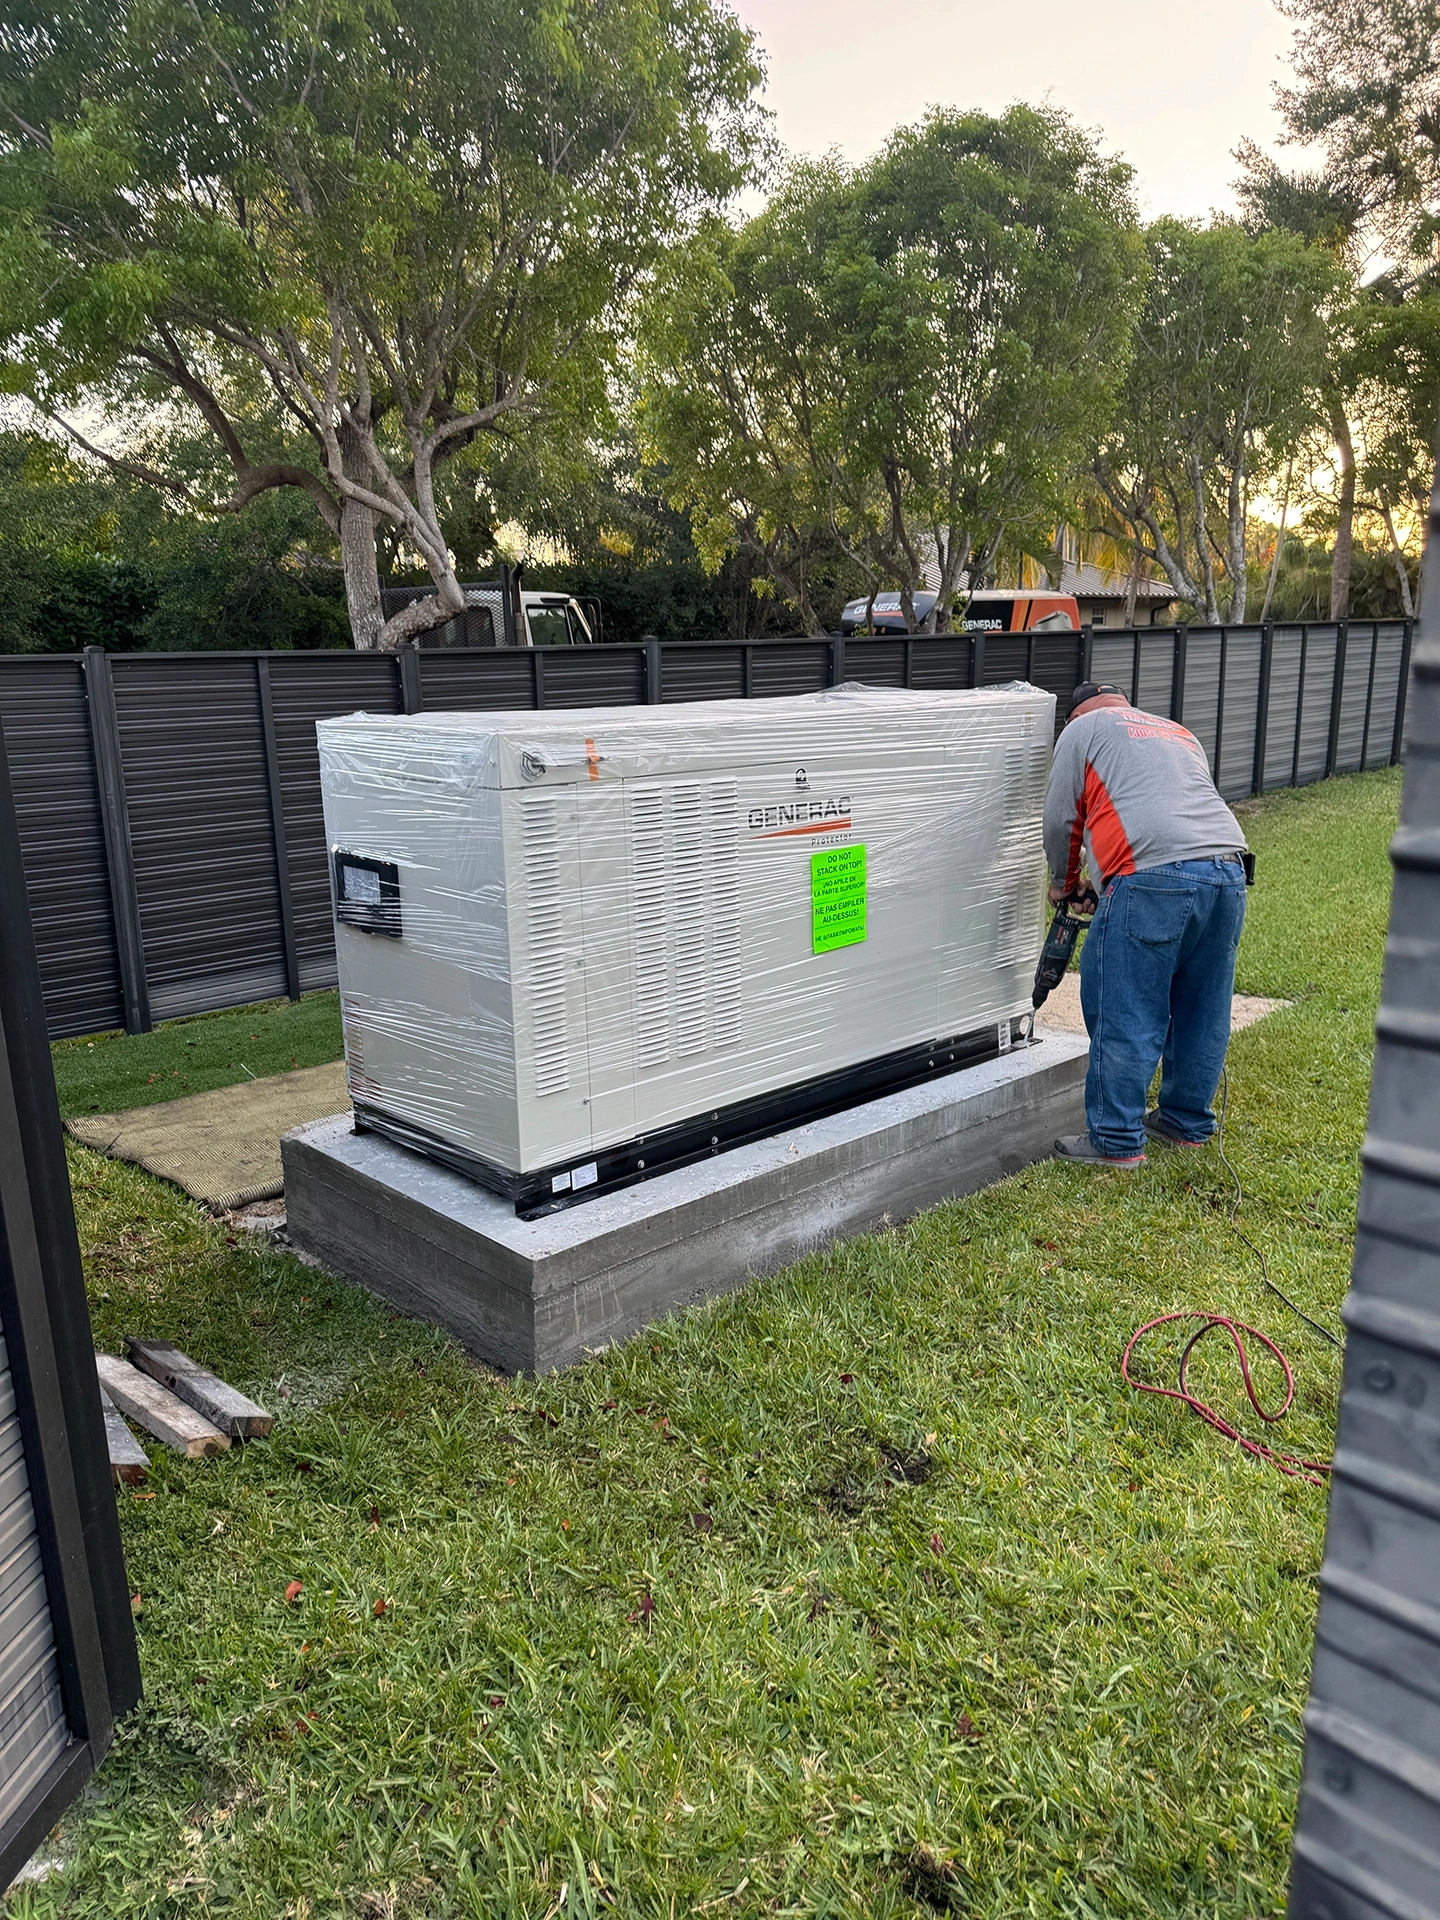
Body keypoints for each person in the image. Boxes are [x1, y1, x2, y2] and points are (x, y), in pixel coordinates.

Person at [1042, 681, 1251, 1168]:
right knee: (1203, 1007)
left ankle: (1116, 1139)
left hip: (1152, 876)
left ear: (1074, 715)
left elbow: (1061, 820)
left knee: (1125, 1004)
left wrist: (1064, 884)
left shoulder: (1081, 731)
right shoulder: (1176, 732)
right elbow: (1165, 808)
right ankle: (1185, 1123)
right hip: (1228, 873)